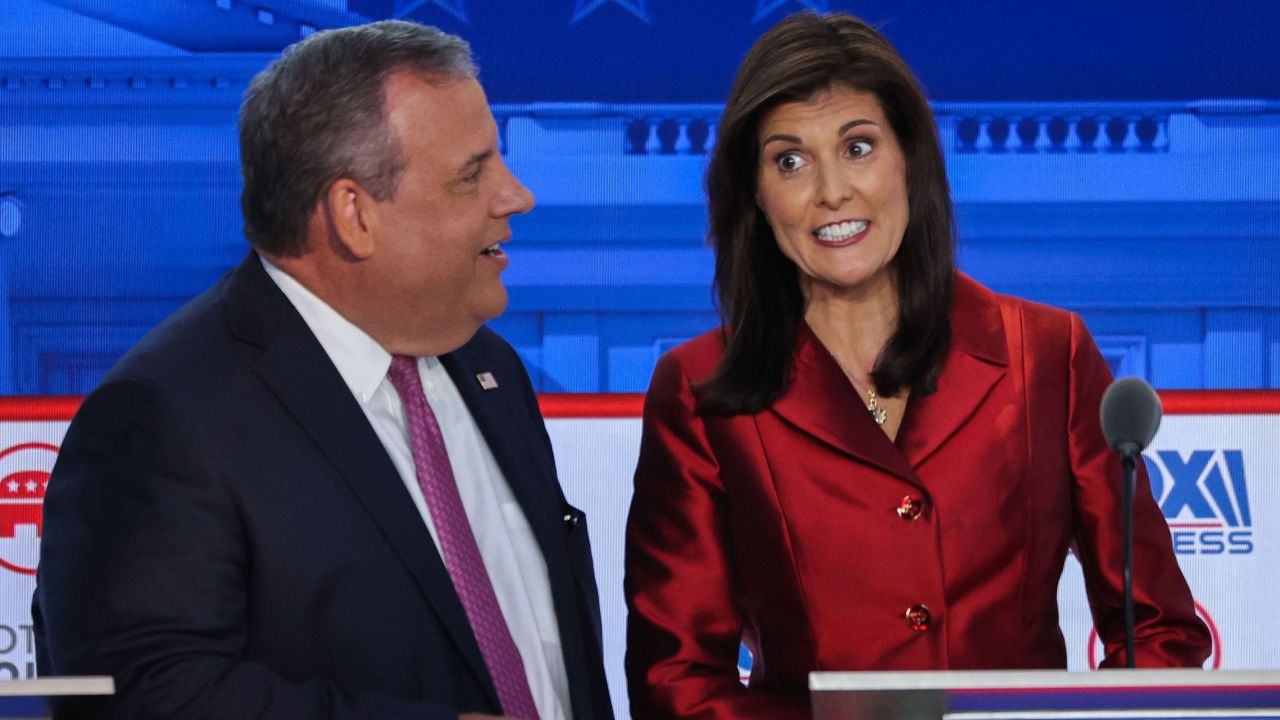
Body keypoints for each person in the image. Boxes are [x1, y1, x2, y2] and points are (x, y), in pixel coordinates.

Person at [623, 11, 1210, 719]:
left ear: (910, 159)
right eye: (790, 160)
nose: (832, 191)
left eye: (859, 147)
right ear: (755, 193)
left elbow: (1159, 632)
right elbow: (676, 677)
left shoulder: (1046, 353)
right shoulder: (701, 388)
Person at [34, 20, 613, 720]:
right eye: (473, 174)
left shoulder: (491, 370)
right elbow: (138, 697)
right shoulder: (162, 420)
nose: (516, 196)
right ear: (353, 214)